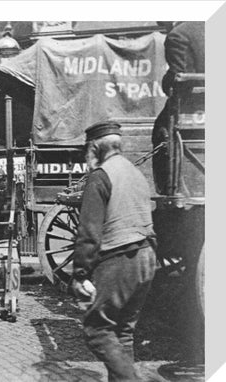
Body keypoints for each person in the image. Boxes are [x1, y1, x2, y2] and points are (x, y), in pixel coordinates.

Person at [70, 121, 157, 382]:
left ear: (95, 148)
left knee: (97, 330)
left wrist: (80, 273)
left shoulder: (100, 175)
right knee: (123, 332)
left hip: (120, 257)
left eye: (87, 151)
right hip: (147, 255)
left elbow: (89, 231)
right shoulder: (135, 172)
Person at [152, 22, 205, 195]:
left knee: (160, 128)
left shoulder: (178, 35)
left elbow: (180, 78)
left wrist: (166, 81)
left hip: (195, 106)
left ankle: (169, 189)